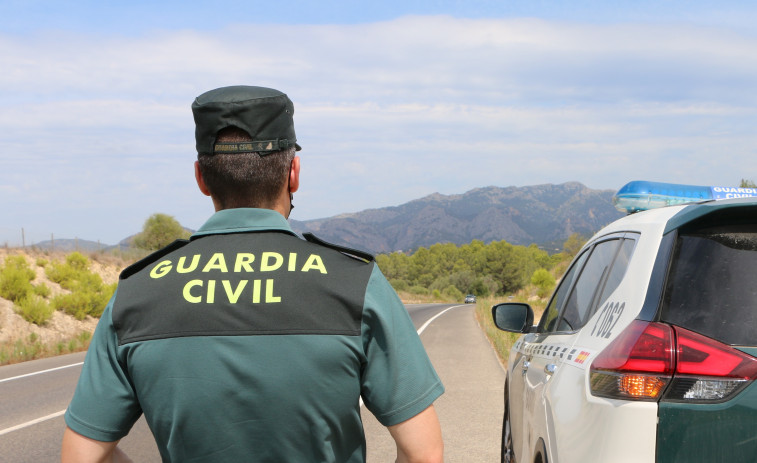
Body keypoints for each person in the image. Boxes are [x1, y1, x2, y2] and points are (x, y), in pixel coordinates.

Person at [61, 85, 445, 462]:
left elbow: (82, 456)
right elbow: (423, 453)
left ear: (201, 177)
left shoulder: (137, 292)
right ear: (293, 173)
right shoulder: (355, 282)